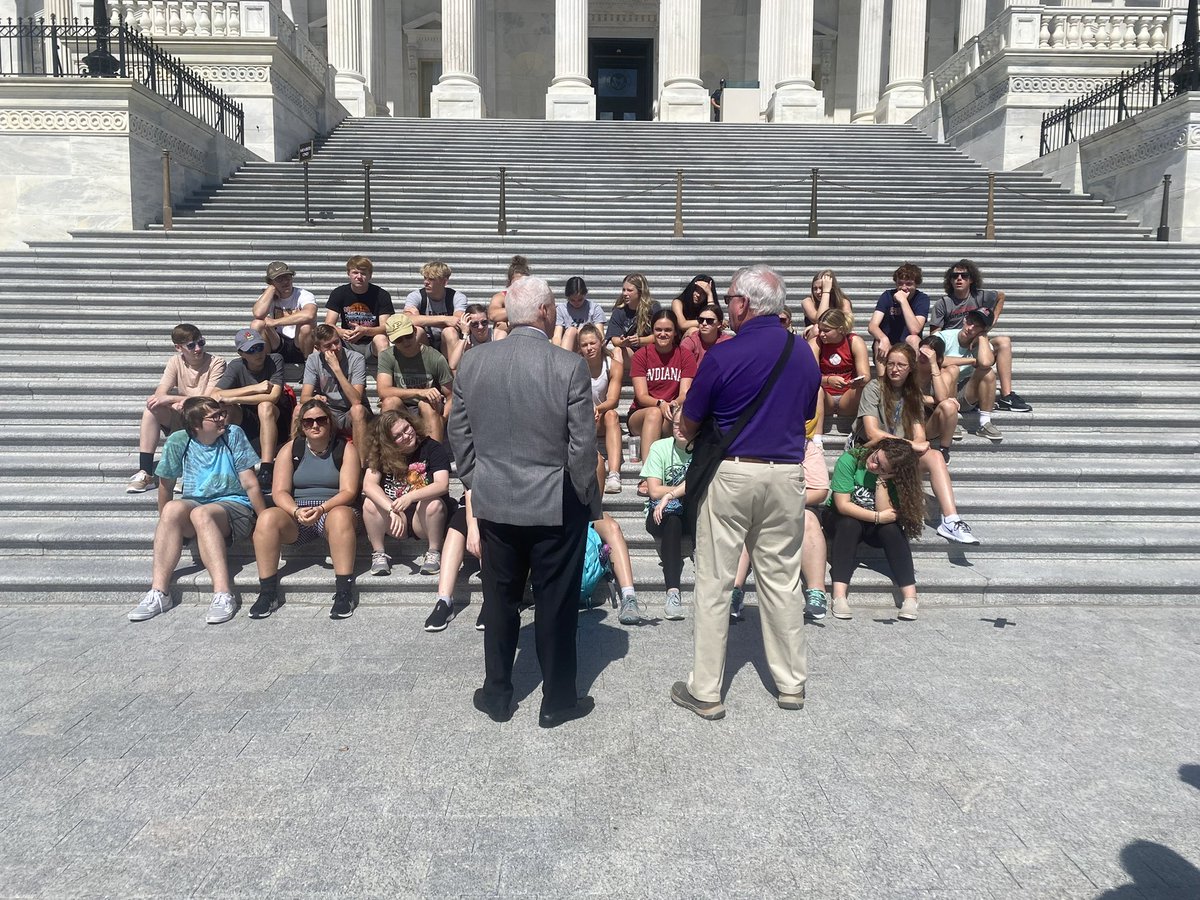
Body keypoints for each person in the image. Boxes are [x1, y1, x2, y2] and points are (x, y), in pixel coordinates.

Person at [449, 274, 600, 728]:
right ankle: (557, 700)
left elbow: (459, 432)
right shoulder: (568, 365)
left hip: (495, 498)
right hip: (555, 500)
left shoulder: (472, 363)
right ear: (546, 313)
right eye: (553, 307)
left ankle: (497, 693)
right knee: (556, 602)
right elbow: (582, 447)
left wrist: (477, 479)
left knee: (499, 597)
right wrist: (581, 494)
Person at [673, 264, 820, 721]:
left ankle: (707, 691)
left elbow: (691, 421)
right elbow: (807, 407)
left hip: (734, 473)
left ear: (742, 304)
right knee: (781, 580)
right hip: (787, 473)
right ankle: (791, 684)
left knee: (715, 580)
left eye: (731, 299)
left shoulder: (723, 353)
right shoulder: (802, 352)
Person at [127, 396, 266, 624]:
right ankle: (159, 593)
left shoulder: (234, 434)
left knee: (202, 513)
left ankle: (223, 593)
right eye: (215, 416)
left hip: (234, 505)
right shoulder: (179, 441)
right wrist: (169, 524)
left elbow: (250, 483)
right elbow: (166, 485)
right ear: (196, 425)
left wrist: (262, 521)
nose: (223, 418)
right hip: (195, 503)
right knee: (172, 509)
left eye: (222, 413)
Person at [852, 343, 980, 544]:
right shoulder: (874, 388)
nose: (894, 369)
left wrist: (915, 444)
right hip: (872, 452)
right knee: (896, 454)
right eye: (891, 364)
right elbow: (872, 432)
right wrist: (910, 444)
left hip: (898, 451)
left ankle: (950, 520)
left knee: (936, 456)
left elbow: (919, 435)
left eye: (901, 365)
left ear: (910, 368)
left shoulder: (912, 393)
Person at [250, 399, 362, 620]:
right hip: (297, 511)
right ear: (301, 426)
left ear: (330, 422)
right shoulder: (290, 449)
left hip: (333, 507)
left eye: (321, 420)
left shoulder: (345, 449)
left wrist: (321, 509)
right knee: (266, 519)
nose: (315, 425)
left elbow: (349, 492)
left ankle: (344, 592)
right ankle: (267, 592)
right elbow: (279, 491)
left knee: (340, 517)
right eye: (308, 422)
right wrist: (295, 511)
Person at [824, 440, 924, 621]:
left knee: (892, 530)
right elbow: (842, 505)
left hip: (872, 525)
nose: (873, 465)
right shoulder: (851, 459)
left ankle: (910, 597)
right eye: (875, 458)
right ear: (878, 447)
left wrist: (882, 481)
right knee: (849, 524)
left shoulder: (893, 478)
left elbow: (884, 512)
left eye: (881, 468)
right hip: (839, 518)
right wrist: (878, 518)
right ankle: (839, 596)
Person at [127, 324, 226, 493]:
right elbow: (159, 394)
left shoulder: (217, 363)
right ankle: (146, 472)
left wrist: (174, 399)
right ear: (178, 347)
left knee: (206, 413)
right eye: (191, 345)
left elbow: (208, 401)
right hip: (183, 415)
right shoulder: (175, 361)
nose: (198, 348)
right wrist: (175, 404)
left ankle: (194, 473)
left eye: (201, 342)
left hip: (206, 417)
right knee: (151, 410)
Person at [362, 408, 455, 579]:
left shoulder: (432, 448)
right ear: (388, 442)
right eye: (398, 436)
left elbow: (442, 485)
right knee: (369, 503)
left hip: (425, 519)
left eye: (407, 429)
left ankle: (434, 551)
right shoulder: (382, 454)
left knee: (433, 502)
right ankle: (379, 554)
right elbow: (368, 485)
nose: (406, 436)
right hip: (397, 519)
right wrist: (391, 509)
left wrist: (410, 497)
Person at [930, 259, 1031, 412]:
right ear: (949, 280)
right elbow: (934, 335)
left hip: (976, 339)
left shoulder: (981, 296)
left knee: (1003, 341)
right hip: (955, 343)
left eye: (964, 276)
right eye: (955, 276)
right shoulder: (943, 303)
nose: (959, 279)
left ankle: (1007, 395)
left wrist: (986, 328)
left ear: (971, 279)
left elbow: (1001, 296)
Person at [212, 328, 290, 491]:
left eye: (260, 347)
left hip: (277, 418)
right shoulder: (236, 366)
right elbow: (214, 395)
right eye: (251, 350)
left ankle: (266, 469)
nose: (258, 353)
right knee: (226, 409)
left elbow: (273, 396)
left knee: (265, 406)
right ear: (241, 353)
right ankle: (223, 463)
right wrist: (256, 388)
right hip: (249, 420)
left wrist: (234, 398)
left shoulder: (275, 359)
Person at [640, 411, 691, 622]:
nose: (679, 428)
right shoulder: (660, 447)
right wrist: (682, 491)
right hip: (660, 514)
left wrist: (669, 492)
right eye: (675, 424)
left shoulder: (703, 449)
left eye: (684, 424)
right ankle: (672, 591)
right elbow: (653, 490)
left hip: (690, 511)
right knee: (672, 520)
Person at [628, 309, 696, 465]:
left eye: (668, 330)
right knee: (654, 413)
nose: (663, 334)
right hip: (641, 414)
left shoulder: (685, 356)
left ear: (675, 333)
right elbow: (642, 396)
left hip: (671, 413)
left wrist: (673, 404)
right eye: (658, 330)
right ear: (652, 331)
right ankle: (649, 472)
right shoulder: (641, 355)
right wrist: (660, 403)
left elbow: (684, 393)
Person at [376, 313, 453, 442]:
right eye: (399, 339)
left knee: (427, 405)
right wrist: (419, 392)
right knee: (389, 402)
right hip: (403, 408)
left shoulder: (435, 358)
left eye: (408, 336)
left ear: (415, 331)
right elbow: (383, 391)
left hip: (428, 410)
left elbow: (451, 395)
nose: (405, 342)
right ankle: (393, 454)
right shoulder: (387, 356)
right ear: (391, 340)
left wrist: (443, 418)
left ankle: (434, 455)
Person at [938, 307, 1004, 443]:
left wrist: (982, 338)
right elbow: (936, 361)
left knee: (987, 372)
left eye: (977, 326)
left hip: (963, 395)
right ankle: (950, 419)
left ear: (983, 330)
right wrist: (971, 360)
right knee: (952, 369)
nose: (970, 328)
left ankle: (985, 423)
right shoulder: (944, 337)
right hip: (940, 392)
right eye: (970, 322)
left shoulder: (982, 344)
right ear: (964, 320)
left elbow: (985, 362)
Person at [300, 324, 369, 452]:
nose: (335, 348)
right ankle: (298, 456)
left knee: (357, 410)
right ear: (318, 348)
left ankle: (361, 464)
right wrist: (314, 398)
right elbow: (304, 398)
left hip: (351, 412)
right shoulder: (313, 360)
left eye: (336, 342)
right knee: (299, 409)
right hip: (330, 412)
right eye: (327, 346)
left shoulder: (356, 359)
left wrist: (336, 368)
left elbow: (356, 401)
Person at [578, 323, 624, 494]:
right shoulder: (575, 366)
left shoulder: (613, 365)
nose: (589, 348)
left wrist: (597, 409)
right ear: (580, 348)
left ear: (601, 343)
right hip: (581, 419)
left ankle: (613, 474)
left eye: (592, 343)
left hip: (601, 417)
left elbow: (613, 400)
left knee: (612, 415)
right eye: (584, 345)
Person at [324, 255, 394, 360]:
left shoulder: (381, 295)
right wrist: (341, 332)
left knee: (381, 339)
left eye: (363, 273)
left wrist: (365, 331)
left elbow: (385, 328)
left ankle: (385, 375)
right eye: (355, 273)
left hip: (372, 343)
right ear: (348, 274)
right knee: (325, 338)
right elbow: (328, 324)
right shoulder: (339, 293)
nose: (359, 277)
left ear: (370, 275)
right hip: (347, 342)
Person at [868, 262, 929, 374]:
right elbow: (872, 326)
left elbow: (915, 330)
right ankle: (883, 383)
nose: (904, 288)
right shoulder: (887, 296)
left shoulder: (922, 299)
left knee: (914, 339)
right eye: (900, 283)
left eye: (909, 284)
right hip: (889, 345)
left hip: (907, 346)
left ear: (916, 284)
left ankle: (915, 382)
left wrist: (903, 301)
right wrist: (883, 338)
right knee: (878, 341)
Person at [811, 309, 870, 423]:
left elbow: (865, 375)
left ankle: (862, 433)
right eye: (820, 330)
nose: (822, 334)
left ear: (840, 330)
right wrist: (828, 380)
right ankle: (816, 438)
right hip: (825, 398)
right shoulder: (816, 343)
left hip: (848, 397)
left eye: (826, 331)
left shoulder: (854, 341)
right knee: (817, 389)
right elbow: (810, 378)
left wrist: (857, 381)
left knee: (867, 388)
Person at [250, 260, 317, 362]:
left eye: (287, 277)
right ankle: (266, 363)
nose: (285, 282)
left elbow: (309, 314)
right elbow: (258, 314)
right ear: (271, 282)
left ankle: (309, 363)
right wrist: (271, 289)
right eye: (279, 279)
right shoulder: (268, 296)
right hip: (277, 342)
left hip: (299, 343)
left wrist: (275, 322)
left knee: (306, 326)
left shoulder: (303, 294)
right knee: (256, 324)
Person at [403, 260, 469, 361]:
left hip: (447, 343)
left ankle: (453, 374)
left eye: (431, 279)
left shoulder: (457, 297)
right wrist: (444, 320)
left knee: (450, 331)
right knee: (418, 331)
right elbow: (406, 320)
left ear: (444, 281)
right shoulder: (416, 296)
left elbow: (458, 321)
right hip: (426, 341)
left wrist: (420, 319)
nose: (426, 282)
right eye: (425, 278)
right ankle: (423, 374)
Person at [917, 336, 962, 458]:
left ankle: (944, 449)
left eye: (928, 354)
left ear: (938, 358)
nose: (922, 357)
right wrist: (931, 399)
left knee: (948, 405)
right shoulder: (909, 370)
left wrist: (933, 364)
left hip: (929, 425)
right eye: (921, 352)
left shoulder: (943, 374)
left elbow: (941, 398)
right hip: (909, 423)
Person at [605, 273, 660, 370]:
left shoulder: (653, 308)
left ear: (640, 292)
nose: (625, 293)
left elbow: (660, 335)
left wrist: (639, 341)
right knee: (617, 350)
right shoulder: (619, 311)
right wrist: (623, 342)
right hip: (631, 353)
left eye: (629, 290)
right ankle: (616, 382)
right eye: (624, 290)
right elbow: (614, 339)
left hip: (651, 353)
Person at [553, 275, 607, 351]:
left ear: (585, 295)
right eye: (572, 300)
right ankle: (563, 359)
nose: (576, 303)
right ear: (567, 297)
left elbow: (600, 335)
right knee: (571, 331)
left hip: (589, 347)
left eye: (580, 299)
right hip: (570, 347)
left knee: (582, 331)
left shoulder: (594, 308)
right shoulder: (561, 309)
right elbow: (557, 336)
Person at [487, 254, 530, 340]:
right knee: (500, 329)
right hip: (507, 333)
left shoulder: (534, 295)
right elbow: (492, 315)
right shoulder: (501, 297)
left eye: (522, 282)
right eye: (516, 283)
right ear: (510, 282)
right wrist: (523, 310)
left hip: (527, 331)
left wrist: (510, 322)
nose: (518, 286)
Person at [447, 303, 493, 374]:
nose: (480, 327)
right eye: (475, 324)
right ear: (468, 324)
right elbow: (453, 365)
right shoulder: (466, 340)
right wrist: (465, 334)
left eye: (484, 322)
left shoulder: (496, 335)